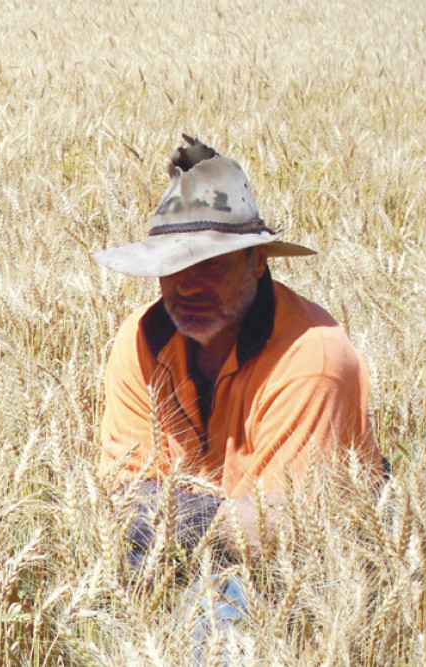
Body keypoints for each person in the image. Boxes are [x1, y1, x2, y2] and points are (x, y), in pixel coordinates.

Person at [92, 135, 388, 562]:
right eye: (173, 265)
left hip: (315, 573)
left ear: (258, 260)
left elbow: (281, 538)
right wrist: (221, 518)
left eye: (210, 264)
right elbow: (124, 501)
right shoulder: (138, 341)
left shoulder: (311, 357)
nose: (190, 284)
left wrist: (172, 514)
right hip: (183, 560)